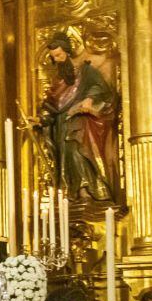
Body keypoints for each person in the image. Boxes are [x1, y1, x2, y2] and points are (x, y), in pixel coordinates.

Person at [39, 32, 118, 202]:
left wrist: (89, 99)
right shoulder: (57, 81)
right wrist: (40, 119)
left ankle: (87, 188)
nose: (57, 60)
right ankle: (72, 191)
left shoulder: (85, 71)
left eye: (59, 55)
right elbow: (51, 106)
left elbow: (100, 87)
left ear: (67, 52)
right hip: (61, 125)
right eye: (53, 57)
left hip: (79, 121)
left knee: (77, 152)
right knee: (65, 158)